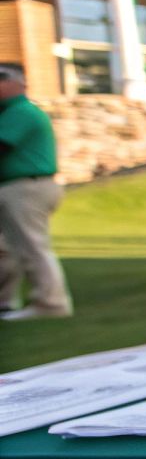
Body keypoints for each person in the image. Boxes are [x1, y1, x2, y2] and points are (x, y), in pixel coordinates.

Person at [0, 64, 72, 320]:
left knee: (31, 247)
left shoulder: (21, 111)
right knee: (5, 249)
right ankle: (4, 303)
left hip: (27, 187)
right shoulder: (7, 112)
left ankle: (51, 304)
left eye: (2, 78)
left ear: (19, 83)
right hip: (15, 188)